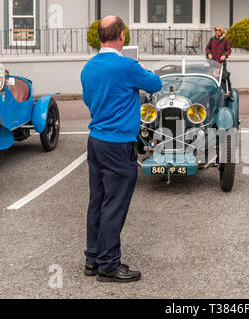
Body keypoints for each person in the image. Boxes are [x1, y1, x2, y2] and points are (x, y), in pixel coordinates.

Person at [80, 15, 162, 283]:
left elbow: (88, 99)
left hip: (96, 140)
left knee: (98, 201)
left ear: (100, 36)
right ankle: (108, 266)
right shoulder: (127, 65)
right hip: (118, 143)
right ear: (121, 36)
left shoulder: (88, 68)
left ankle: (92, 259)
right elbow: (155, 84)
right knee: (115, 204)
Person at [206, 25, 234, 100]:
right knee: (212, 77)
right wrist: (209, 53)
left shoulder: (225, 40)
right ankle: (213, 94)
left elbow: (229, 50)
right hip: (212, 62)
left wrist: (225, 55)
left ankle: (229, 93)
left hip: (221, 63)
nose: (218, 31)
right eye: (216, 30)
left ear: (222, 31)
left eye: (219, 30)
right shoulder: (212, 39)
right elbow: (207, 48)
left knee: (224, 77)